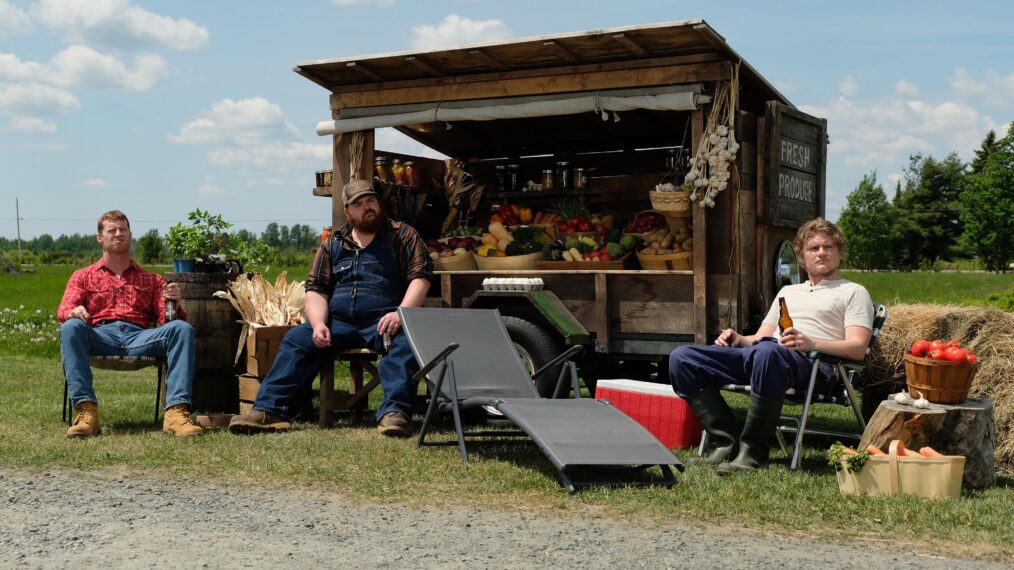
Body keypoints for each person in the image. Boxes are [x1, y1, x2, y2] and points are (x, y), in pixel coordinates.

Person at [229, 179, 433, 437]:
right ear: (348, 211)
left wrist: (401, 313)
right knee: (296, 339)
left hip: (384, 320)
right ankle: (268, 411)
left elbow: (421, 278)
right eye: (358, 204)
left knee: (406, 342)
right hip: (339, 322)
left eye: (370, 201)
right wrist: (318, 324)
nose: (367, 207)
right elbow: (316, 289)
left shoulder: (402, 235)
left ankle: (394, 415)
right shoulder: (334, 243)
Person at [668, 218, 873, 473]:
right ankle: (726, 441)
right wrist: (738, 339)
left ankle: (753, 452)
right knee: (683, 357)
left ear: (840, 253)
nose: (821, 252)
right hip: (767, 356)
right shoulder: (788, 292)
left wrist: (811, 343)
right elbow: (760, 337)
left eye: (829, 246)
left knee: (768, 351)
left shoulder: (853, 292)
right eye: (814, 248)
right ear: (801, 257)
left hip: (816, 366)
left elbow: (857, 347)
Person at [58, 210, 202, 438]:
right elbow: (64, 309)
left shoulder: (152, 280)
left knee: (182, 329)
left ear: (130, 234)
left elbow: (169, 322)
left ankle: (176, 414)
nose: (118, 233)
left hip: (140, 337)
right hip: (100, 336)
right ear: (100, 237)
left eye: (122, 229)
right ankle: (87, 413)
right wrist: (74, 311)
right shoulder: (82, 276)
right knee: (70, 327)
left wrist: (174, 303)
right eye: (111, 230)